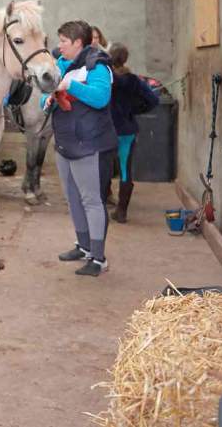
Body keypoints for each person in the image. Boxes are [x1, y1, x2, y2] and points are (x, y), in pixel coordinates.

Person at [42, 20, 118, 277]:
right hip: (65, 142)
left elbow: (100, 98)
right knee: (73, 197)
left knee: (91, 200)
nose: (59, 46)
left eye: (63, 41)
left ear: (77, 43)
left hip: (90, 144)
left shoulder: (98, 65)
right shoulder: (62, 64)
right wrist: (47, 99)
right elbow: (49, 92)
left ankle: (98, 259)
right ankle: (84, 246)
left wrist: (71, 86)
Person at [106, 43, 159, 223]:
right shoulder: (134, 80)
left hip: (105, 130)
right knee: (124, 170)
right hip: (126, 131)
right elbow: (153, 100)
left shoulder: (106, 79)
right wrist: (134, 110)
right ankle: (121, 211)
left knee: (103, 167)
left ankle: (102, 202)